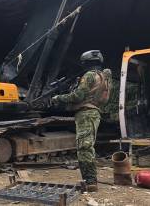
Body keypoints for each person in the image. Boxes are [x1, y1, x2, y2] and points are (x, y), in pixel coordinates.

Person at [51, 50, 112, 192]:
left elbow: (78, 96)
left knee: (84, 147)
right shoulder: (103, 76)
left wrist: (58, 98)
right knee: (87, 146)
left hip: (86, 113)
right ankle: (90, 180)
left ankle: (90, 182)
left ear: (87, 62)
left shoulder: (89, 75)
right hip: (94, 112)